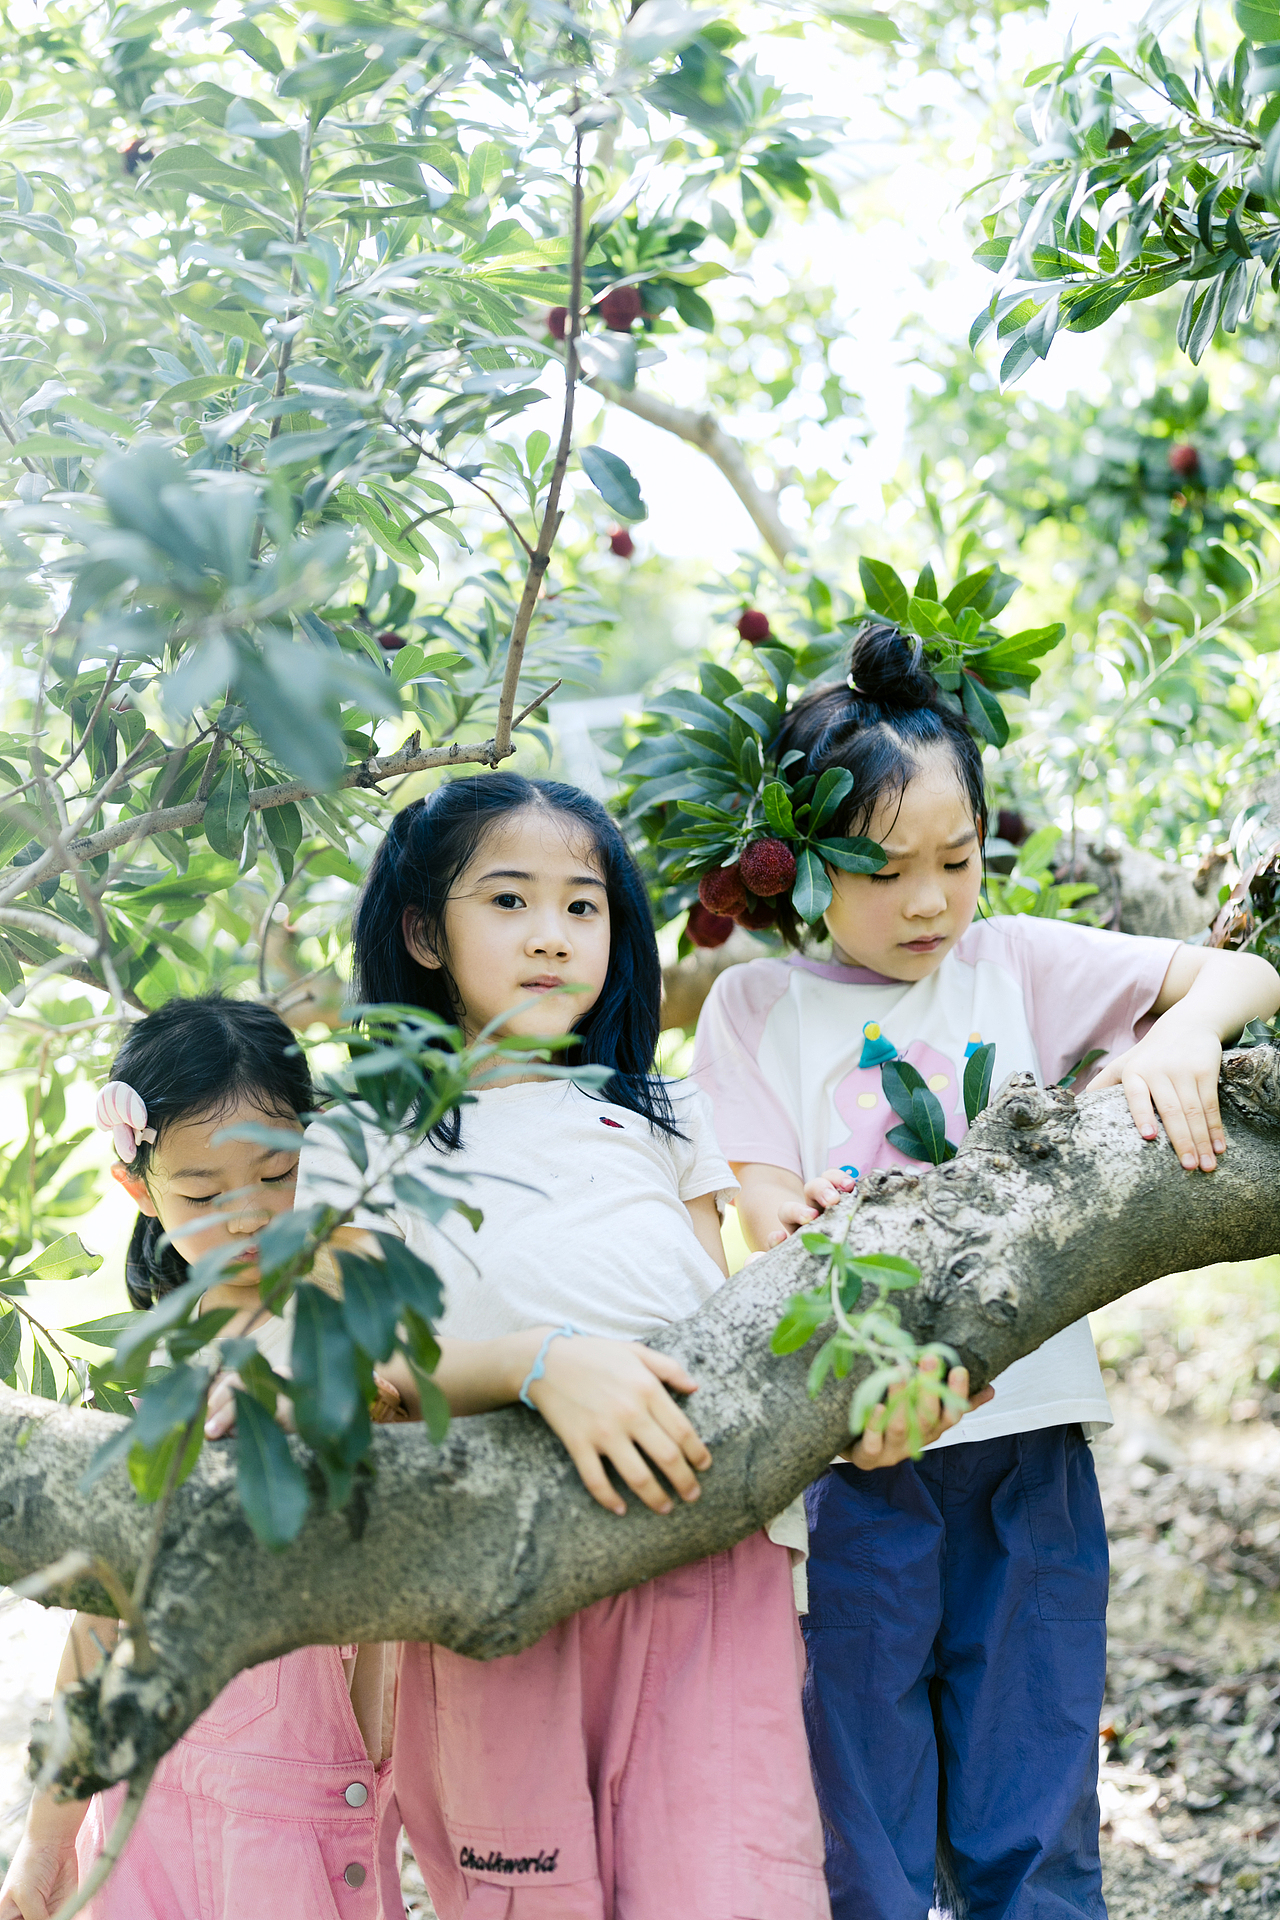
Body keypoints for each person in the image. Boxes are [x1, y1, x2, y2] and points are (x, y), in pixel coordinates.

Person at [293, 772, 986, 1920]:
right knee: (529, 1897)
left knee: (729, 1888)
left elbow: (722, 1338)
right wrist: (534, 1362)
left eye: (583, 907)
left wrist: (857, 1401)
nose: (551, 936)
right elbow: (342, 1377)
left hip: (702, 1569)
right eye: (507, 901)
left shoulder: (658, 1111)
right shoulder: (366, 1136)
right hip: (493, 1582)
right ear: (421, 933)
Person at [690, 623, 1280, 1920]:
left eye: (954, 861)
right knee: (865, 1817)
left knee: (1032, 1800)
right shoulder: (756, 1008)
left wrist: (1183, 1035)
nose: (927, 902)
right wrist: (798, 1218)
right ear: (805, 864)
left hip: (1027, 1444)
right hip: (853, 1458)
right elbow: (759, 1207)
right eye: (882, 868)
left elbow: (1241, 970)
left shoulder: (1014, 964)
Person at [0, 996, 406, 1920]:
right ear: (139, 1190)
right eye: (203, 1195)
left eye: (277, 1173)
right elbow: (102, 1624)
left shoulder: (351, 1334)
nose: (249, 1217)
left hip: (300, 1809)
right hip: (146, 1807)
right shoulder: (161, 1369)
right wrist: (46, 1843)